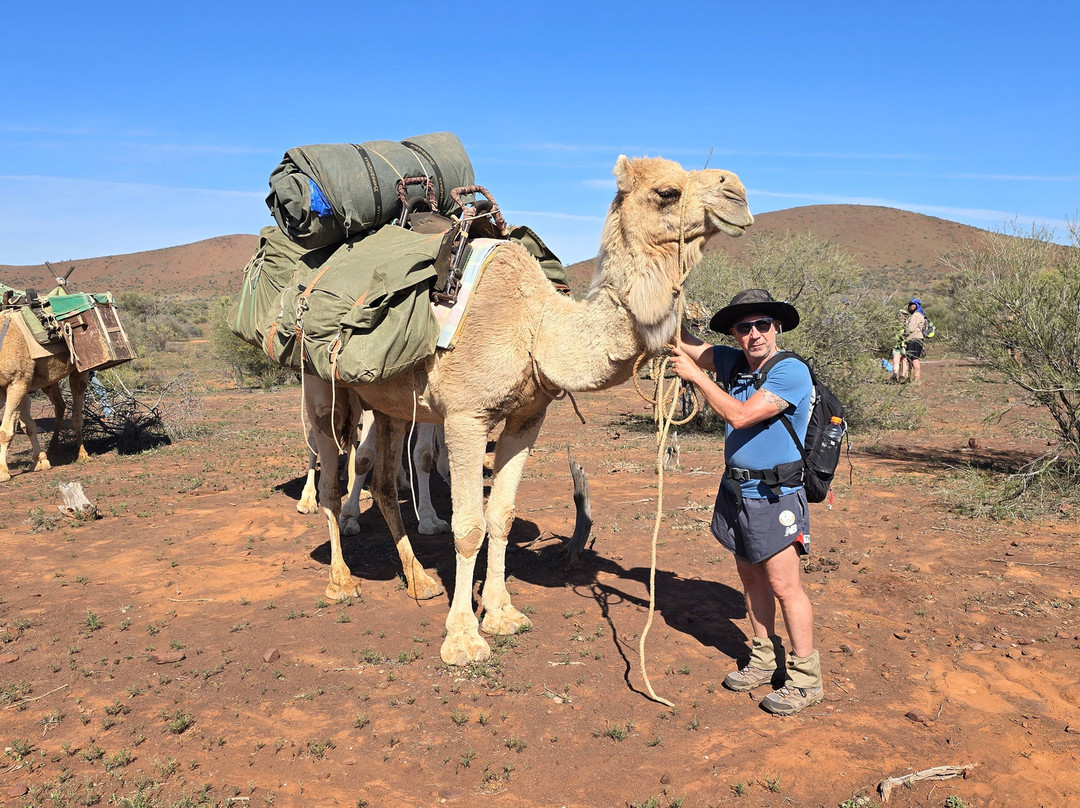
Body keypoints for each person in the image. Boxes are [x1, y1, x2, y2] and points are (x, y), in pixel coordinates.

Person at [670, 288, 823, 716]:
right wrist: (662, 301)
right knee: (752, 579)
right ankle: (763, 658)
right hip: (737, 491)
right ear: (735, 334)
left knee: (784, 586)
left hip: (776, 494)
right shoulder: (735, 361)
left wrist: (698, 379)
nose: (754, 334)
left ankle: (806, 680)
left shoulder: (789, 372)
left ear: (776, 328)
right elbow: (683, 341)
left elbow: (740, 415)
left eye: (762, 325)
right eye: (744, 327)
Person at [898, 298, 928, 384]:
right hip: (914, 339)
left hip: (915, 339)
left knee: (914, 358)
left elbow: (910, 329)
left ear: (916, 305)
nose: (910, 306)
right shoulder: (918, 314)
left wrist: (903, 331)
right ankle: (911, 378)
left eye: (912, 304)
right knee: (911, 359)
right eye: (910, 305)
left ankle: (917, 378)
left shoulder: (916, 315)